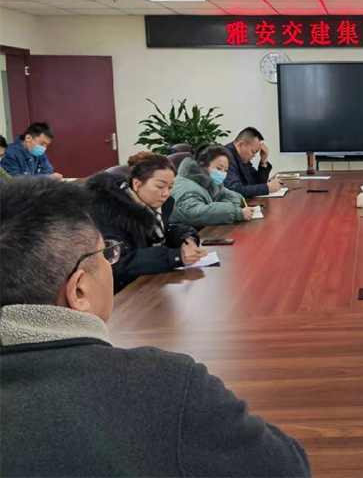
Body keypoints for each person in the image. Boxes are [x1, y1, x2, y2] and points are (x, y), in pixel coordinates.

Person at [0, 179, 312, 478]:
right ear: (79, 291)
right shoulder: (166, 385)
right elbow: (285, 467)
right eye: (106, 254)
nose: (111, 262)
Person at [86, 152, 206, 293]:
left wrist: (186, 238)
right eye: (160, 186)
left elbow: (166, 229)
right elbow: (118, 264)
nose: (166, 193)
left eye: (170, 187)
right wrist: (173, 257)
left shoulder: (152, 205)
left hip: (148, 283)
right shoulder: (110, 212)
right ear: (137, 184)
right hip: (121, 294)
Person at [172, 144, 255, 229]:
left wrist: (232, 208)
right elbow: (194, 213)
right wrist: (235, 213)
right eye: (219, 168)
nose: (222, 173)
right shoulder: (187, 188)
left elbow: (227, 195)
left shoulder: (207, 181)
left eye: (226, 170)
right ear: (202, 165)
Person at [224, 127, 282, 198]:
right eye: (253, 152)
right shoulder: (225, 157)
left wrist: (264, 159)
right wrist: (267, 188)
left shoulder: (242, 158)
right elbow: (234, 189)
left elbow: (257, 182)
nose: (254, 155)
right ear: (241, 145)